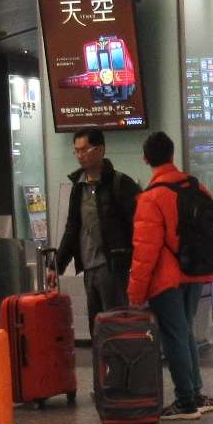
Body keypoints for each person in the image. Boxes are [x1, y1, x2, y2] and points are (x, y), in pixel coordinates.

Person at [128, 130, 213, 421]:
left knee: (175, 335)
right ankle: (197, 393)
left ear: (145, 158)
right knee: (185, 331)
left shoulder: (151, 198)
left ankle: (186, 401)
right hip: (194, 272)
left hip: (166, 280)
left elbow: (145, 251)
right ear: (172, 154)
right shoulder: (196, 187)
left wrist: (135, 293)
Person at [52, 129, 139, 336]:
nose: (80, 155)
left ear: (100, 150)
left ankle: (119, 367)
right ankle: (102, 368)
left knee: (117, 327)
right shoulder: (78, 188)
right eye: (76, 151)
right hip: (89, 269)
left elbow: (139, 227)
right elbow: (72, 228)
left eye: (85, 150)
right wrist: (56, 265)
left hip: (114, 268)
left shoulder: (121, 184)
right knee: (97, 329)